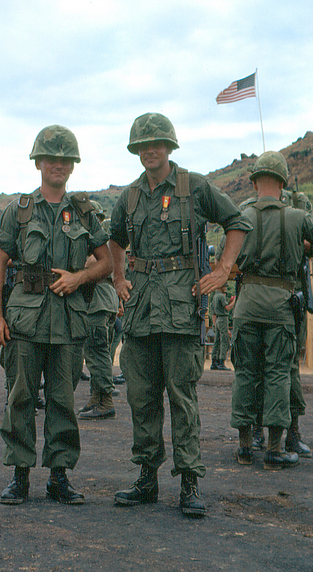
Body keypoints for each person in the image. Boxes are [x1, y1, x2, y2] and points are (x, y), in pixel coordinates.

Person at [109, 112, 251, 516]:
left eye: (157, 143)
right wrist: (118, 279)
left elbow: (236, 221)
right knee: (141, 397)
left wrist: (223, 270)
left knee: (182, 397)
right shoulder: (130, 196)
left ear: (169, 147)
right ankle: (147, 479)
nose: (149, 150)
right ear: (136, 150)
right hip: (140, 311)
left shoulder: (195, 187)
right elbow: (115, 239)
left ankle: (189, 481)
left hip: (182, 307)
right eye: (142, 145)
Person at [0, 125, 112, 506]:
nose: (58, 165)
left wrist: (80, 277)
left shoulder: (84, 212)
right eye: (51, 159)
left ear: (72, 166)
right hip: (24, 322)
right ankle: (19, 476)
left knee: (63, 401)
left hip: (69, 324)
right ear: (39, 163)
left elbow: (107, 263)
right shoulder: (19, 210)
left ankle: (59, 477)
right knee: (20, 397)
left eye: (65, 160)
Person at [230, 151, 313, 470]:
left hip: (247, 303)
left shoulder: (241, 214)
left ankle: (245, 446)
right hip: (280, 305)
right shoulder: (296, 217)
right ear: (283, 183)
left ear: (253, 182)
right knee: (279, 372)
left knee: (246, 373)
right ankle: (276, 447)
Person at [78, 201, 120, 419]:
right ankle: (97, 397)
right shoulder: (104, 238)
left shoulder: (97, 242)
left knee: (96, 352)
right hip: (106, 299)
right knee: (98, 351)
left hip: (97, 300)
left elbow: (88, 266)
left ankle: (106, 401)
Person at [210, 283, 235, 371]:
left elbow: (213, 311)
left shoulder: (214, 297)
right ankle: (221, 363)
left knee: (216, 342)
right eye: (225, 287)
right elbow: (227, 308)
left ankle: (214, 362)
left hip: (217, 319)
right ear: (221, 287)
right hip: (223, 319)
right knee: (224, 341)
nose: (225, 288)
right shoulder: (221, 296)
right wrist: (234, 301)